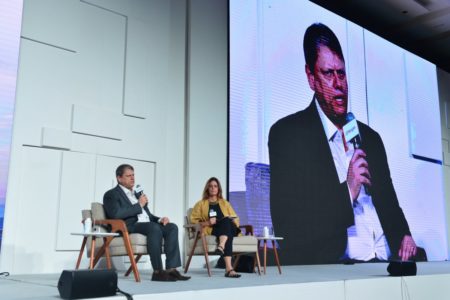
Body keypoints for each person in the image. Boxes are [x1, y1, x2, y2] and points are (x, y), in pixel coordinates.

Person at [268, 23, 420, 265]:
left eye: (342, 72)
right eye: (328, 73)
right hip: (338, 268)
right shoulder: (288, 135)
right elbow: (290, 227)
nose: (338, 83)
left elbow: (391, 204)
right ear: (311, 78)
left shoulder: (370, 138)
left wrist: (405, 236)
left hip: (387, 264)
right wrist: (348, 191)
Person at [103, 164, 190, 281]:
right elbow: (116, 214)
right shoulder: (111, 194)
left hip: (147, 224)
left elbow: (147, 215)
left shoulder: (137, 194)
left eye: (133, 175)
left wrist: (159, 219)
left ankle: (171, 269)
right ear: (119, 178)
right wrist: (139, 205)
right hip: (128, 226)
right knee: (154, 228)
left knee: (171, 227)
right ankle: (158, 271)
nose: (132, 178)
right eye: (128, 176)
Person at [190, 177, 241, 278]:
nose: (213, 188)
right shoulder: (200, 204)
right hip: (214, 229)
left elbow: (236, 218)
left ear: (218, 189)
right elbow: (193, 220)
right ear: (207, 189)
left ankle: (221, 246)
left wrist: (231, 219)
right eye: (210, 186)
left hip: (229, 226)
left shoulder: (225, 203)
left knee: (227, 221)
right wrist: (208, 222)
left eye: (215, 186)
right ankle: (229, 269)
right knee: (228, 234)